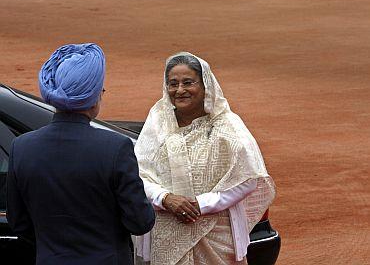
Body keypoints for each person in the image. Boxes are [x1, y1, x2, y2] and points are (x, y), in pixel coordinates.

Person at [6, 43, 155, 265]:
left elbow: (18, 222)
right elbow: (140, 222)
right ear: (94, 98)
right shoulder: (116, 147)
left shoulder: (22, 147)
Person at [134, 52, 276, 264]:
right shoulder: (158, 122)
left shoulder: (227, 125)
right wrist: (165, 198)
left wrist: (201, 205)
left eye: (188, 82)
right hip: (164, 231)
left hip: (216, 233)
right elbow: (138, 174)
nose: (180, 90)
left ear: (205, 85)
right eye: (173, 84)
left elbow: (247, 179)